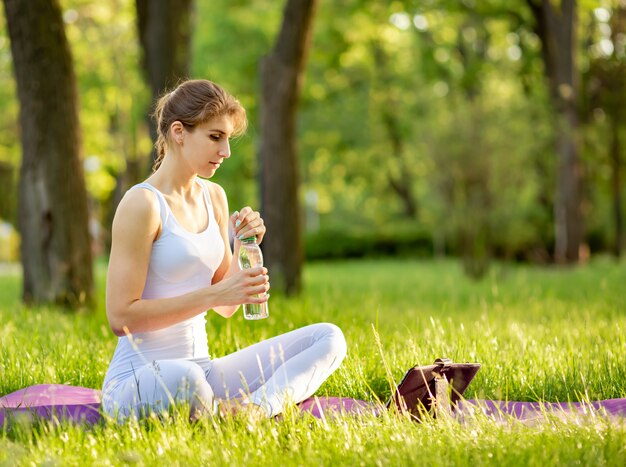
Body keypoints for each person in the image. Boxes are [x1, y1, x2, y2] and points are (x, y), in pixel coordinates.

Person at [101, 79, 347, 421]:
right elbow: (121, 318)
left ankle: (256, 411)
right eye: (215, 137)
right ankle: (222, 410)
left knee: (328, 337)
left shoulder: (213, 196)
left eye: (228, 139)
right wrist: (215, 294)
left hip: (204, 371)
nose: (226, 151)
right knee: (188, 382)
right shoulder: (142, 204)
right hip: (140, 380)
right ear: (178, 132)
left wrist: (244, 243)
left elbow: (228, 306)